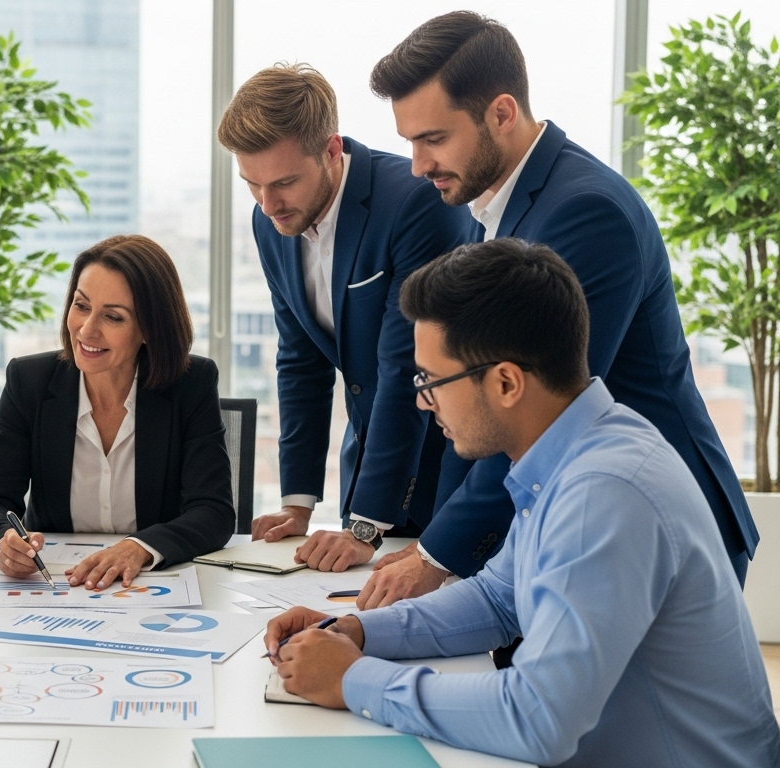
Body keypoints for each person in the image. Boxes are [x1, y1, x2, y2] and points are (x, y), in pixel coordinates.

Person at [264, 239, 780, 768]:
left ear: (507, 381)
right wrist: (357, 631)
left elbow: (538, 719)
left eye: (432, 381)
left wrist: (352, 679)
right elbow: (498, 598)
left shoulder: (603, 491)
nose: (423, 401)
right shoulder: (577, 446)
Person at [360, 11, 757, 610]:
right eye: (409, 143)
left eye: (433, 139)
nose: (417, 166)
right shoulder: (488, 206)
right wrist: (435, 549)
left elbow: (536, 411)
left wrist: (436, 556)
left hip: (655, 525)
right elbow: (477, 404)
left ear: (501, 113)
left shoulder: (586, 213)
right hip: (580, 514)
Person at [217, 63, 470, 584]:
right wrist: (298, 503)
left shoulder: (414, 203)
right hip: (367, 478)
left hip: (447, 473)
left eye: (285, 182)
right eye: (253, 185)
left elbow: (406, 368)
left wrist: (365, 526)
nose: (268, 205)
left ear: (332, 151)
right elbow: (300, 361)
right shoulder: (270, 223)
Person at [0, 235, 235, 589]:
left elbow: (213, 511)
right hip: (56, 587)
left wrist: (139, 548)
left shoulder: (192, 384)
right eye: (81, 306)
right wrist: (3, 543)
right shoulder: (29, 381)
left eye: (113, 316)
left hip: (152, 587)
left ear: (150, 329)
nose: (87, 329)